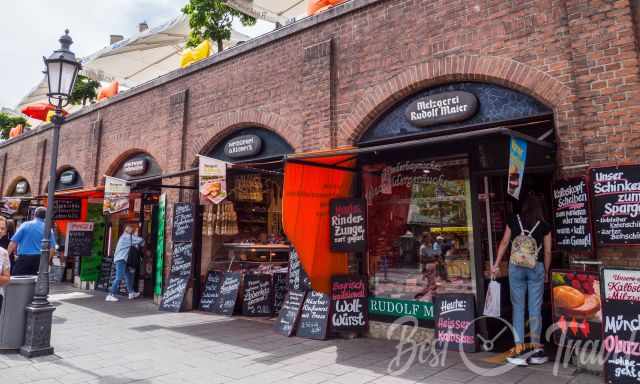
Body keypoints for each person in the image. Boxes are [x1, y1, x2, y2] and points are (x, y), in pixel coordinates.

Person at [492, 193, 552, 366]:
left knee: (518, 308)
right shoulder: (544, 225)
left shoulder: (513, 220)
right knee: (535, 309)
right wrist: (546, 271)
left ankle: (519, 350)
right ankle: (537, 351)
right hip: (536, 268)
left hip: (516, 268)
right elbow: (547, 252)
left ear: (523, 206)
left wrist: (496, 264)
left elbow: (504, 243)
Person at [7, 207, 56, 276]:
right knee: (36, 283)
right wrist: (46, 262)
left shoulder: (25, 225)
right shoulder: (48, 228)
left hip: (24, 259)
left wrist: (5, 257)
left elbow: (13, 242)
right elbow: (52, 248)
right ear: (46, 217)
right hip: (39, 259)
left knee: (18, 281)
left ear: (34, 215)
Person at [106, 225, 144, 302]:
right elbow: (140, 240)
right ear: (129, 231)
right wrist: (143, 241)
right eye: (132, 231)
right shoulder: (127, 237)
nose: (132, 232)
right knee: (119, 277)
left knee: (128, 276)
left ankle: (131, 293)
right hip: (121, 259)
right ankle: (110, 295)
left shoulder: (124, 237)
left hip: (122, 259)